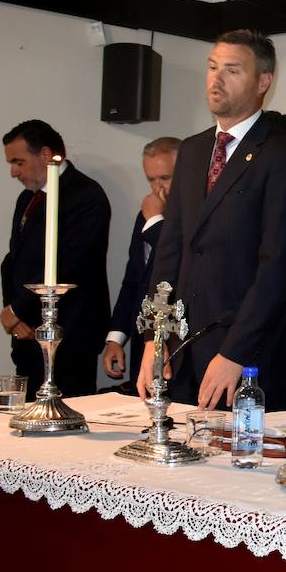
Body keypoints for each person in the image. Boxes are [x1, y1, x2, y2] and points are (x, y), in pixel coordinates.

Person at [140, 29, 286, 410]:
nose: (216, 79)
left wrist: (235, 352)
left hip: (246, 357)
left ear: (263, 81)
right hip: (183, 350)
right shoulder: (193, 149)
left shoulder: (281, 154)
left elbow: (277, 266)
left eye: (232, 70)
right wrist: (155, 336)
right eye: (212, 67)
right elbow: (170, 251)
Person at [0, 120, 111, 397]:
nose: (13, 172)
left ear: (46, 154)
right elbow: (12, 261)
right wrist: (14, 313)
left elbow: (70, 265)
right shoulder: (27, 199)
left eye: (19, 162)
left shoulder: (86, 196)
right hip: (27, 334)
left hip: (70, 333)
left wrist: (17, 310)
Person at [103, 136, 179, 386]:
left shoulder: (193, 217)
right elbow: (134, 279)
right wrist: (116, 337)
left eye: (165, 178)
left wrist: (156, 220)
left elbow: (174, 264)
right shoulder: (145, 214)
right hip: (142, 337)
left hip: (175, 341)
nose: (157, 188)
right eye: (151, 179)